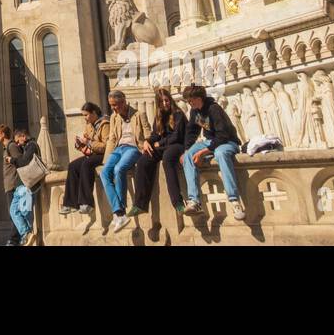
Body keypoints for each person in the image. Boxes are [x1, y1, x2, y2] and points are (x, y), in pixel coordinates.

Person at [181, 84, 245, 220]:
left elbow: (223, 135)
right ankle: (194, 201)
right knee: (188, 155)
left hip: (227, 142)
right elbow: (192, 131)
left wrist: (204, 152)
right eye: (188, 101)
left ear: (199, 98)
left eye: (191, 100)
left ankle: (234, 200)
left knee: (221, 154)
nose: (189, 103)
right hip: (211, 142)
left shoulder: (214, 109)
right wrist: (187, 149)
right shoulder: (195, 112)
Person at [129, 87, 189, 217]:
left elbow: (177, 136)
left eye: (166, 100)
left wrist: (159, 143)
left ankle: (178, 202)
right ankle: (140, 204)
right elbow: (156, 135)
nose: (165, 104)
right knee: (143, 160)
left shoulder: (178, 113)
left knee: (167, 159)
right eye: (161, 102)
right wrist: (147, 141)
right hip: (163, 146)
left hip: (178, 145)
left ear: (170, 100)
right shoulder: (159, 116)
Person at [101, 90, 151, 232]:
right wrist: (106, 160)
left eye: (115, 105)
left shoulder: (138, 114)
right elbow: (112, 138)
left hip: (133, 148)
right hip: (118, 149)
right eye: (111, 105)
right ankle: (118, 211)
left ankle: (120, 212)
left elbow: (148, 133)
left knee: (119, 169)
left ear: (123, 102)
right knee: (104, 173)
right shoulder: (113, 117)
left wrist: (147, 141)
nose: (113, 108)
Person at [60, 102, 108, 216]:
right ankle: (70, 204)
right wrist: (80, 144)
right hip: (93, 154)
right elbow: (86, 140)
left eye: (86, 115)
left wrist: (89, 143)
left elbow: (106, 145)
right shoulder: (89, 125)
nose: (85, 118)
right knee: (72, 166)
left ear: (94, 113)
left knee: (86, 164)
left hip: (104, 154)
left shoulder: (105, 124)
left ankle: (87, 203)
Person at [8, 128, 40, 246]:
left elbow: (24, 162)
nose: (17, 144)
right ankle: (26, 233)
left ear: (23, 136)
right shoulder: (25, 147)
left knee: (25, 210)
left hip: (28, 185)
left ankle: (28, 233)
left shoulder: (32, 146)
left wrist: (12, 160)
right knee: (13, 211)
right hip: (20, 186)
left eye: (17, 141)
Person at [0, 124, 25, 245]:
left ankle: (15, 239)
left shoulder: (11, 146)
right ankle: (16, 238)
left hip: (14, 185)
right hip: (9, 185)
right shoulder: (6, 148)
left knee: (14, 213)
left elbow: (20, 162)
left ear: (3, 134)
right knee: (12, 213)